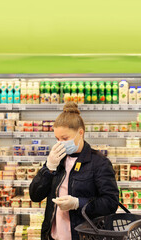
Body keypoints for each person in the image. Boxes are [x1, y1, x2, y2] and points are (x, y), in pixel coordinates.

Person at [29, 102, 119, 240]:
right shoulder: (57, 160)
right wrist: (48, 168)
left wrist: (78, 203)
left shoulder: (99, 163)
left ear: (80, 133)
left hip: (83, 236)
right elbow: (35, 195)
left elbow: (110, 203)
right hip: (53, 236)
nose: (60, 143)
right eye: (57, 139)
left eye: (65, 138)